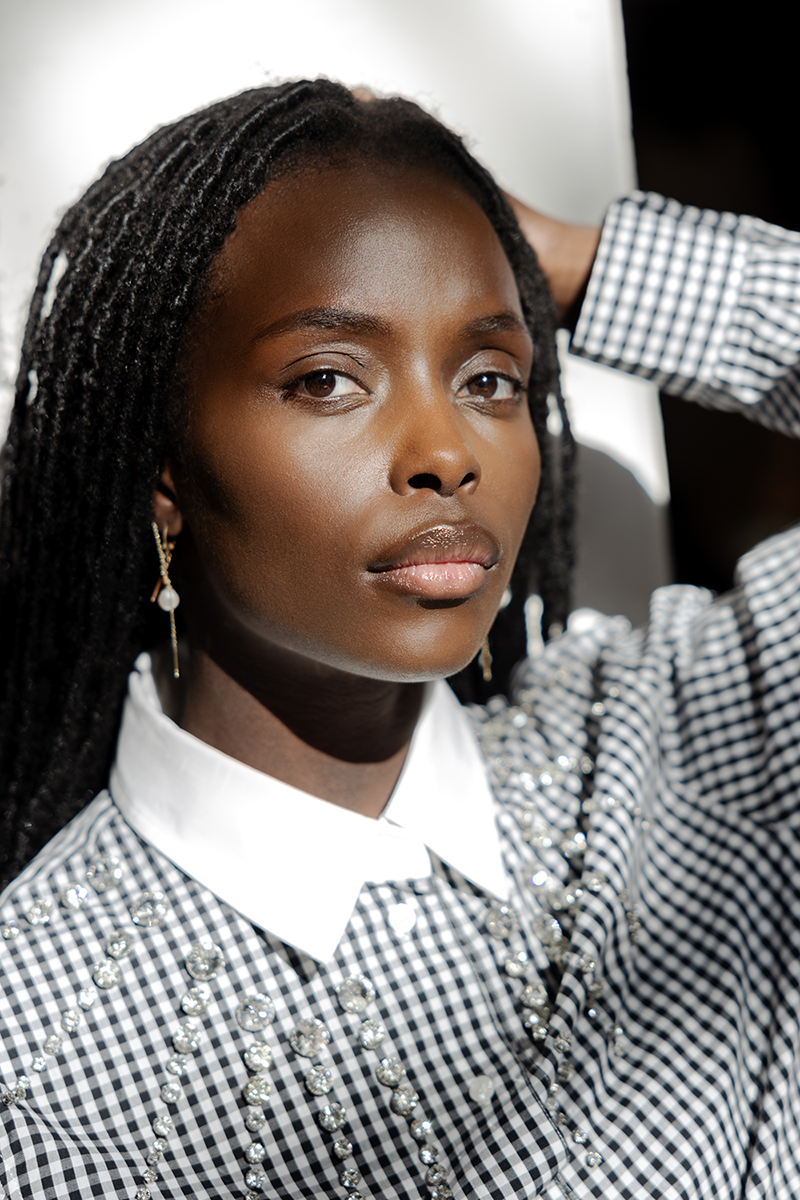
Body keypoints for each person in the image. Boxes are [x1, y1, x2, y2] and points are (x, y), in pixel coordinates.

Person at [1, 79, 800, 1200]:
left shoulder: (691, 747)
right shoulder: (35, 1065)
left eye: (489, 377)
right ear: (163, 470)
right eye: (328, 379)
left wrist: (570, 263)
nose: (444, 449)